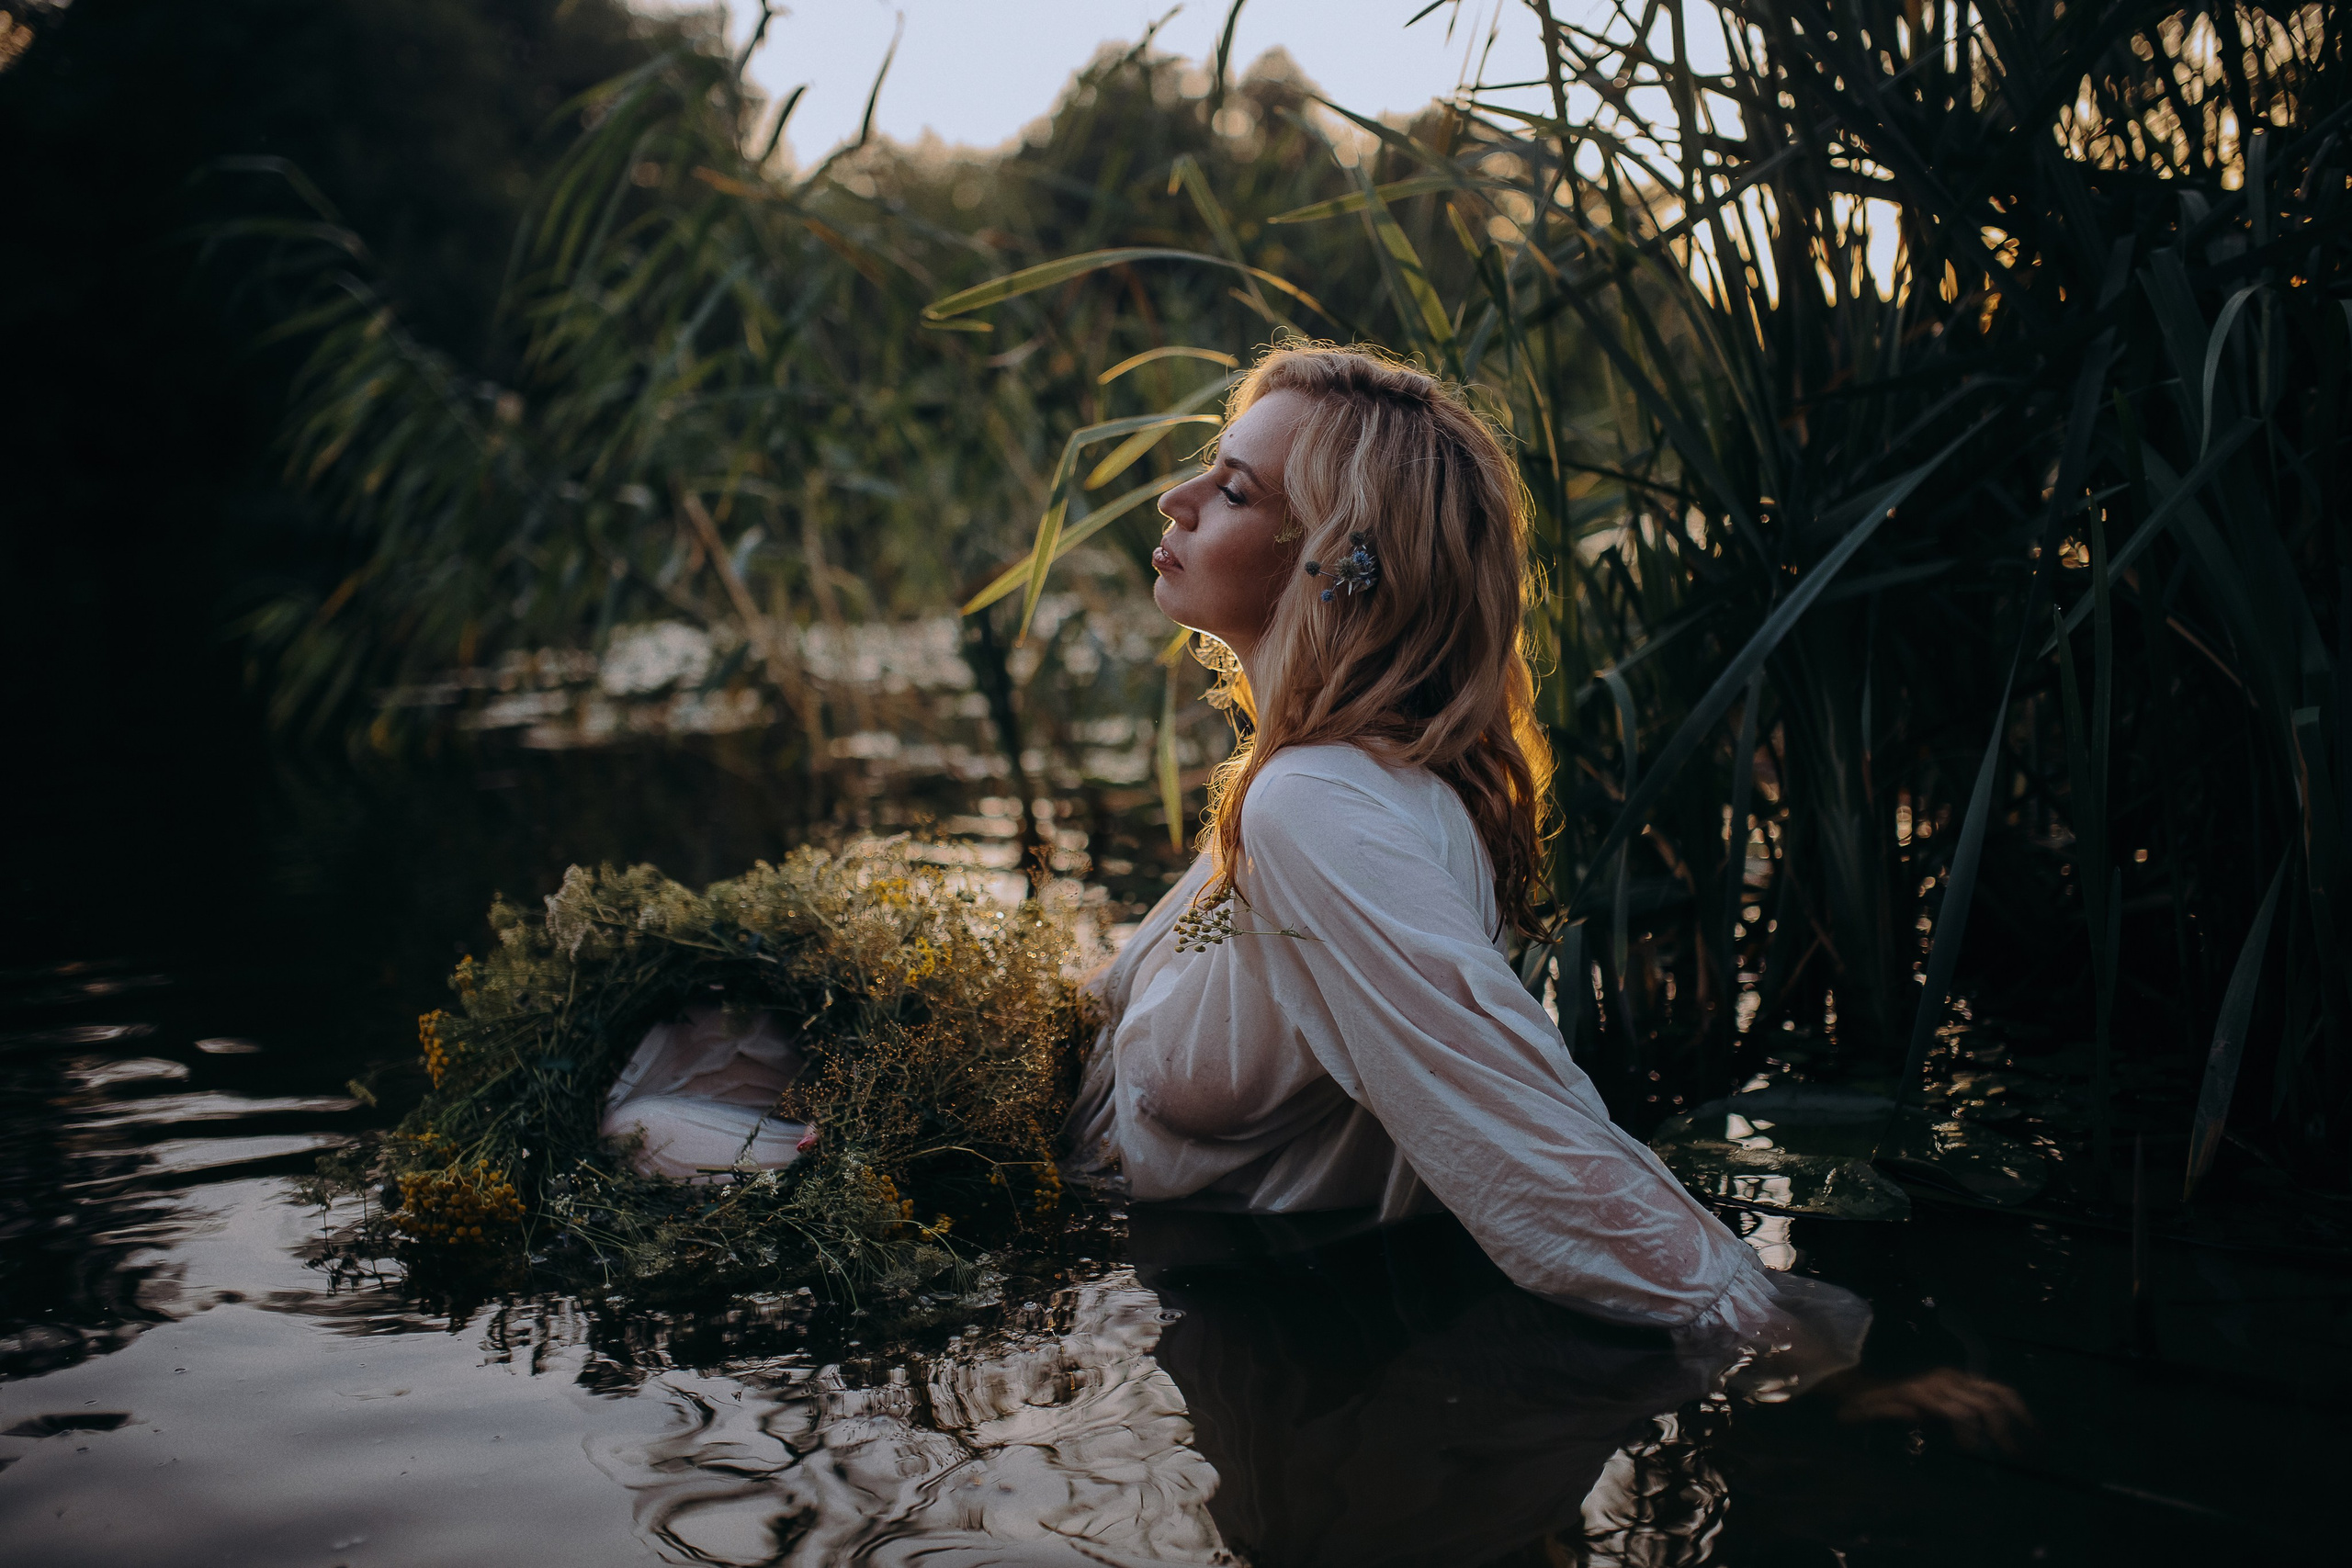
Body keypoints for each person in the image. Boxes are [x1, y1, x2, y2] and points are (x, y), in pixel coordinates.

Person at [1066, 344, 1868, 1388]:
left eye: (1231, 490)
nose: (1174, 501)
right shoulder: (1345, 781)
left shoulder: (1313, 805)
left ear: (1337, 561)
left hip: (1289, 1344)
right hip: (1233, 1327)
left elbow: (1510, 1100)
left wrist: (1757, 1325)